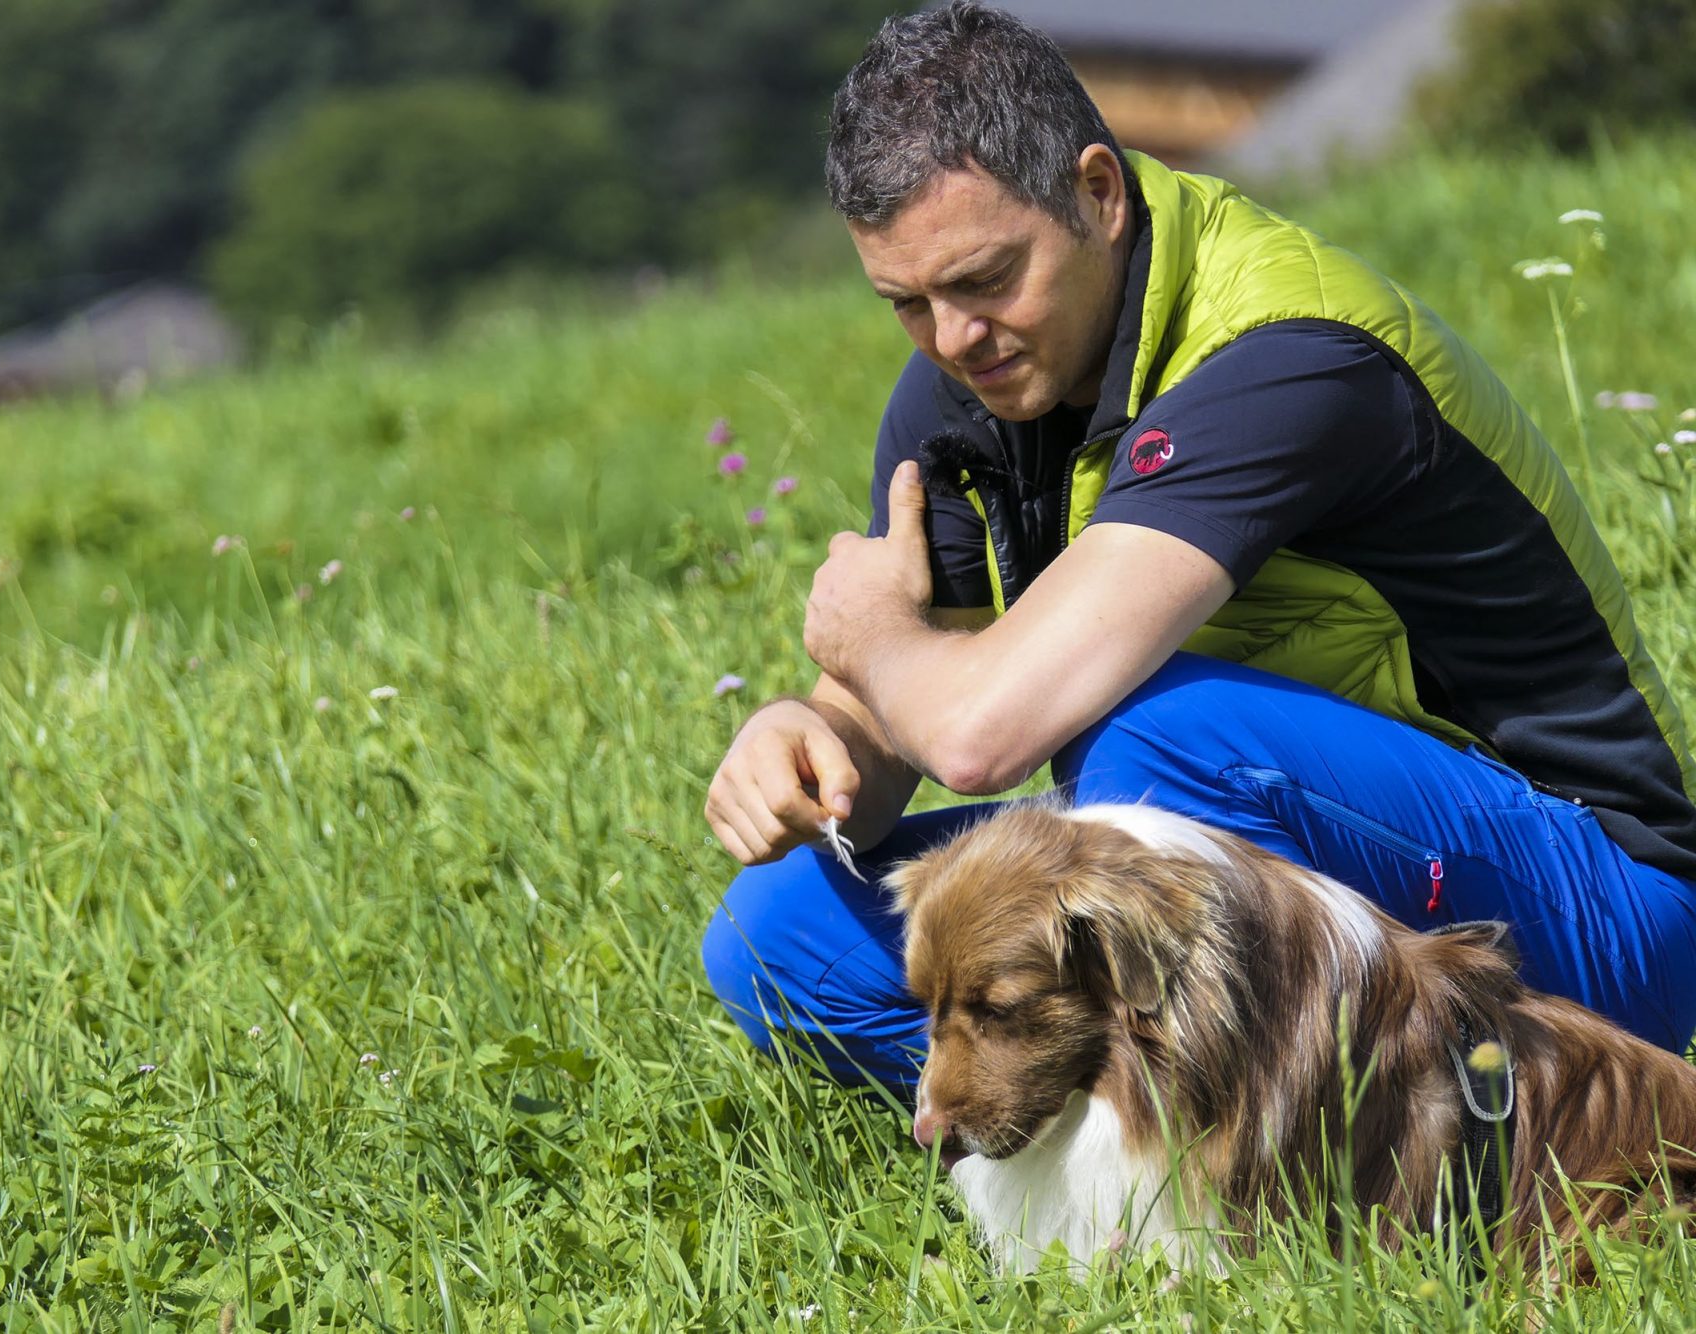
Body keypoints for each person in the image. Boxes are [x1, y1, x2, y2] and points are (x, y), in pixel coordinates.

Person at [700, 1, 1696, 1095]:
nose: (950, 339)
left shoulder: (1290, 357)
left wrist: (868, 638)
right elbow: (916, 698)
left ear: (1097, 191)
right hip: (1286, 872)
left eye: (985, 280)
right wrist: (815, 733)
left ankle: (1255, 1176)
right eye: (905, 302)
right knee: (777, 926)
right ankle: (1162, 1154)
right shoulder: (962, 388)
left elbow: (982, 732)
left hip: (1596, 916)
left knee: (1147, 733)